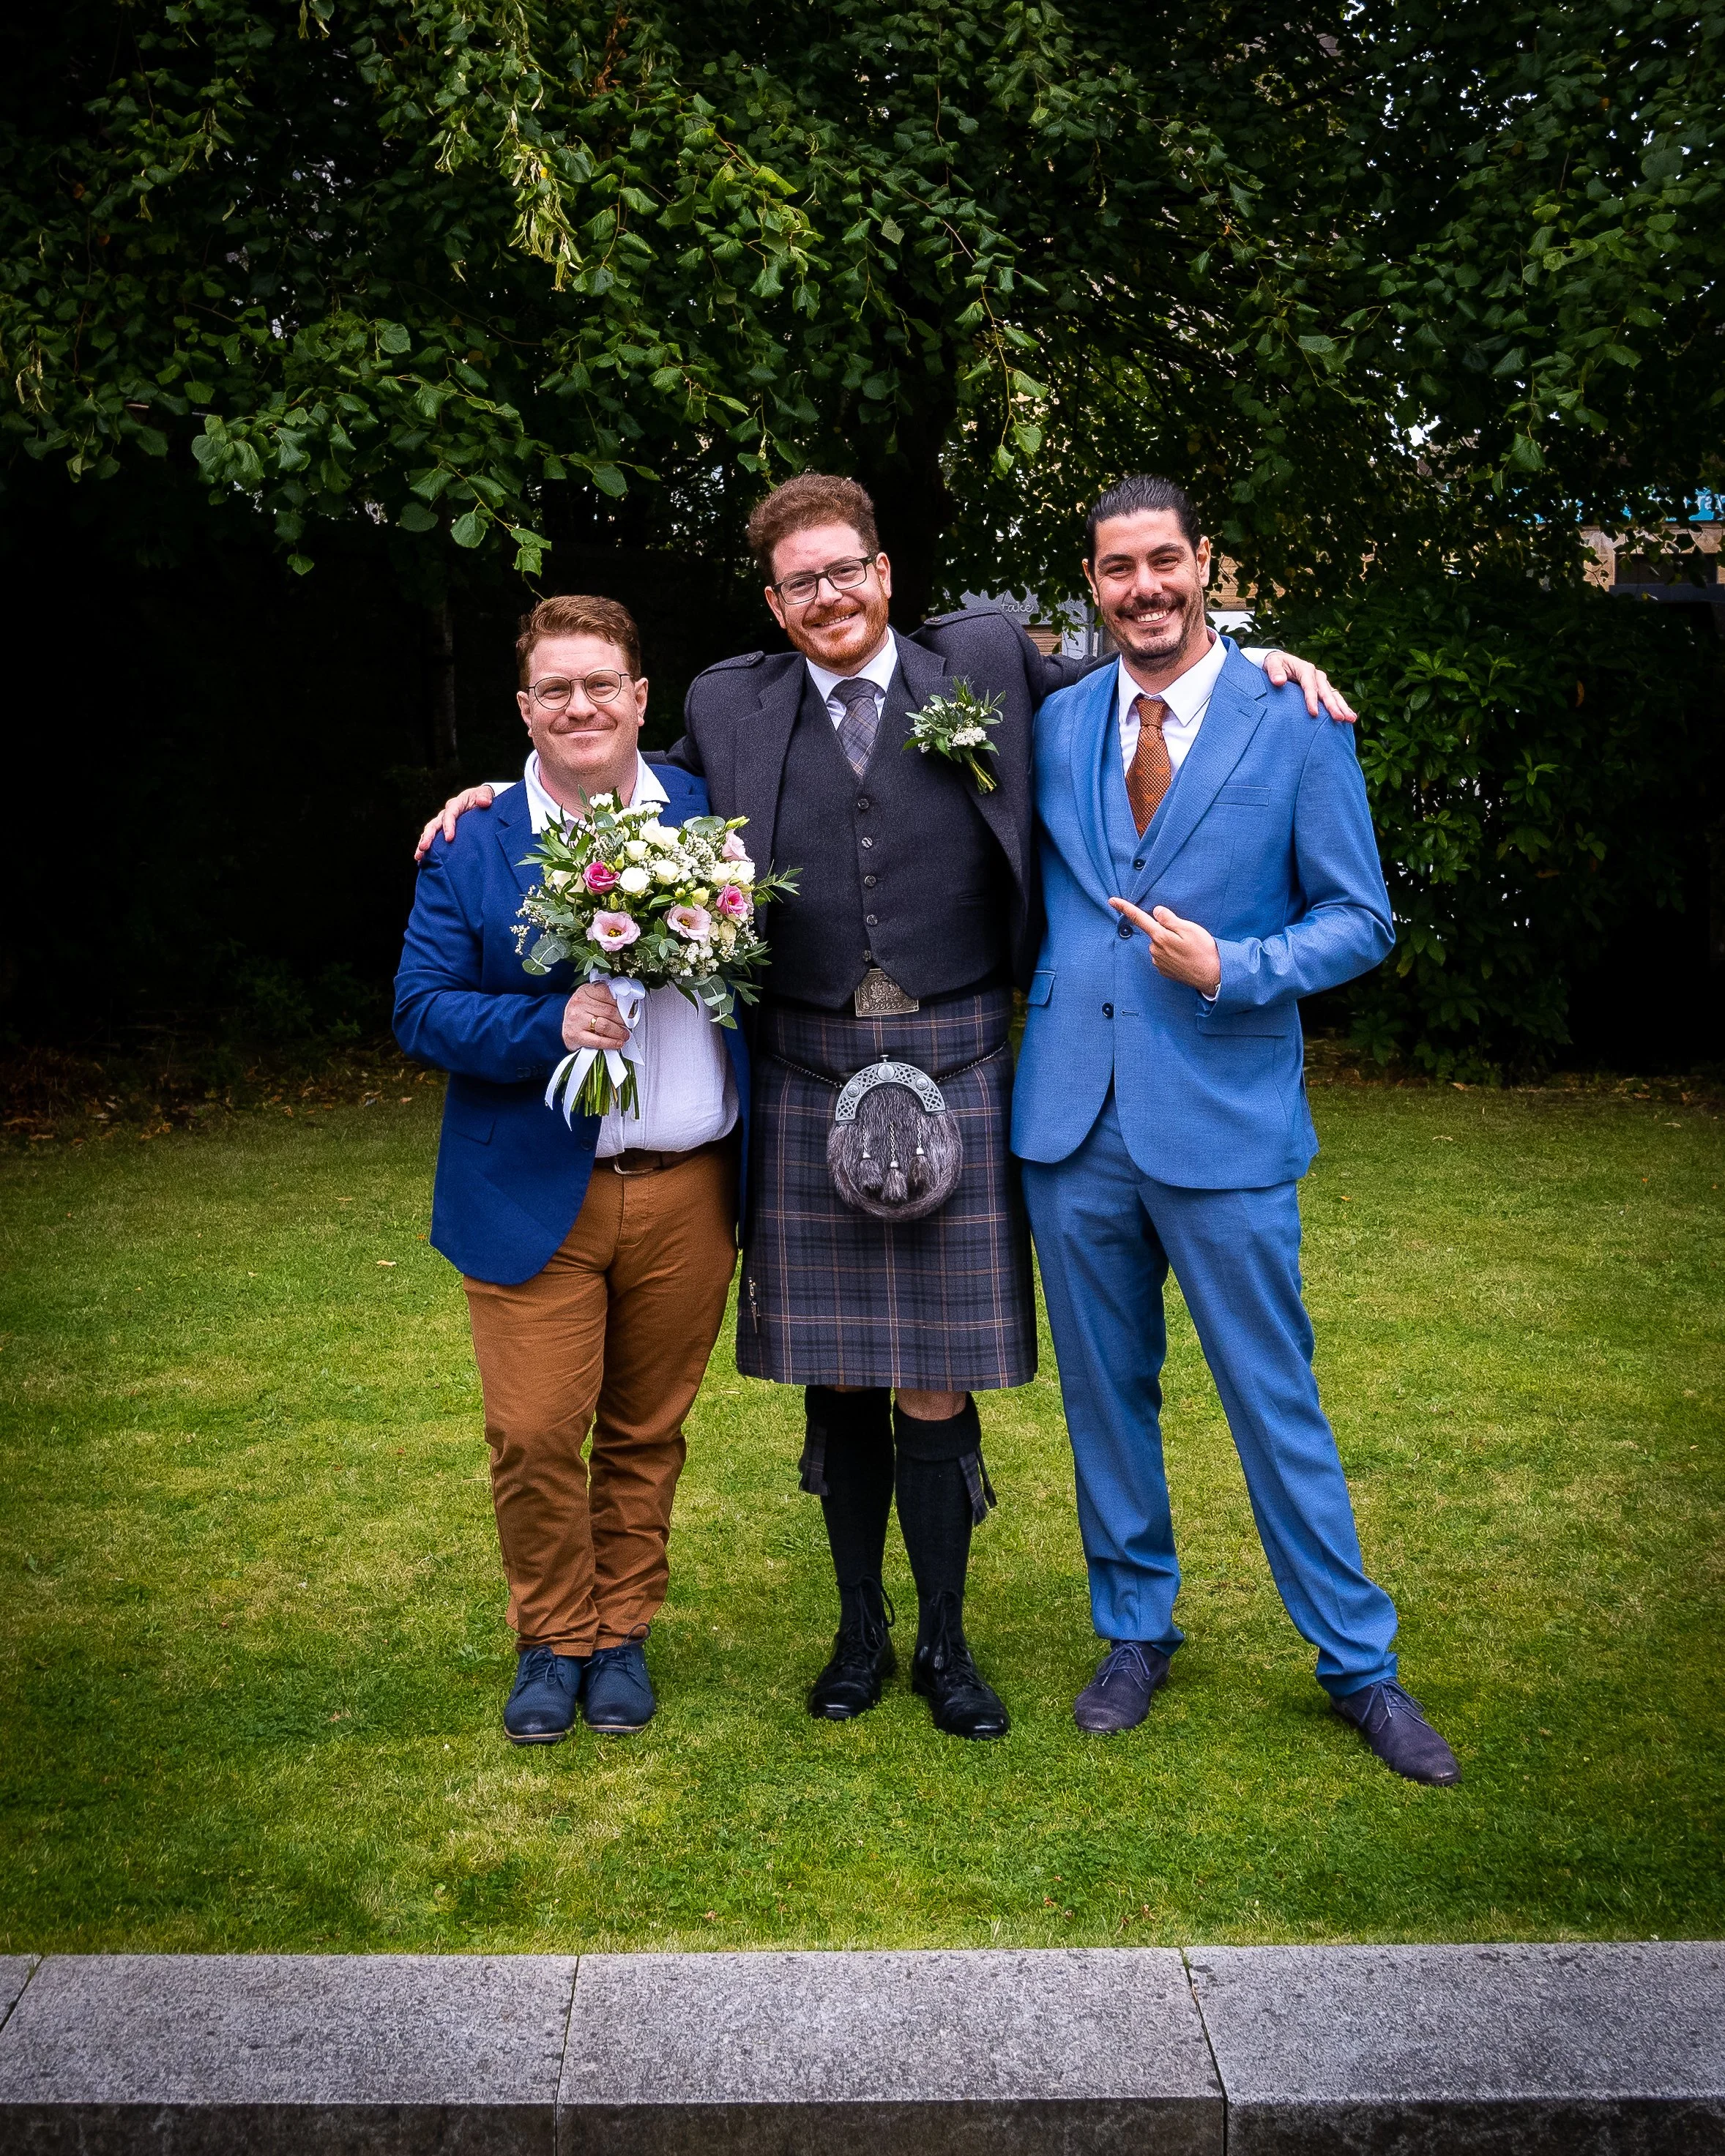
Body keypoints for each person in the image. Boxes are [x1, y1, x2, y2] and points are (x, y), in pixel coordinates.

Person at [417, 474, 1352, 1742]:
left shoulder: (983, 660)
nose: (829, 597)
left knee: (936, 1380)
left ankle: (946, 1649)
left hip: (962, 1054)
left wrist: (1261, 661)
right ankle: (858, 1635)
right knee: (840, 1381)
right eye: (801, 582)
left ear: (886, 570)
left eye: (845, 570)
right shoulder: (727, 703)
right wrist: (493, 789)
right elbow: (628, 782)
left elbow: (1144, 670)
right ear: (774, 603)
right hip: (805, 1071)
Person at [1013, 474, 1460, 1785]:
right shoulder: (1056, 720)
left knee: (1276, 1401)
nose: (1143, 589)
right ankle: (1135, 1628)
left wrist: (1237, 967)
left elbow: (1363, 919)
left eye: (1165, 562)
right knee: (1107, 1399)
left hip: (1222, 1111)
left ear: (1205, 562)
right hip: (1071, 1116)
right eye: (1116, 570)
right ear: (1090, 583)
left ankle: (1358, 1664)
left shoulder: (1294, 719)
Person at [395, 594, 748, 1746]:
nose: (582, 706)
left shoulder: (706, 811)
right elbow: (421, 1009)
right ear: (525, 708)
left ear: (643, 697)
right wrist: (548, 1027)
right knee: (539, 1434)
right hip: (530, 1188)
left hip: (688, 1185)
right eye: (557, 689)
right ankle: (552, 1637)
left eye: (603, 684)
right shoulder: (476, 838)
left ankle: (623, 1634)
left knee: (649, 1429)